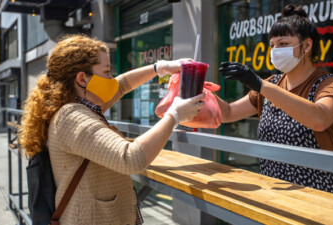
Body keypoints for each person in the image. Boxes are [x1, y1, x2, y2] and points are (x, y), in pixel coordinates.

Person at [18, 34, 205, 224]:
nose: (111, 78)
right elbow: (130, 158)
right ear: (82, 79)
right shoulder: (71, 117)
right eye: (107, 72)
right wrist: (174, 115)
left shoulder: (80, 104)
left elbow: (122, 85)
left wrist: (159, 68)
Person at [217, 4, 333, 198]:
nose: (275, 51)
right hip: (277, 193)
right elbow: (228, 113)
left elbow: (320, 119)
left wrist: (259, 85)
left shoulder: (329, 84)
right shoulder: (271, 83)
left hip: (324, 196)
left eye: (283, 44)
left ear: (306, 46)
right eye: (272, 45)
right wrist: (199, 87)